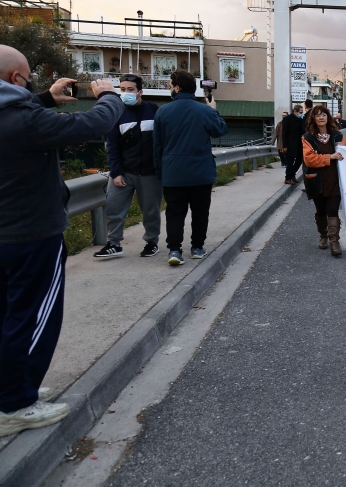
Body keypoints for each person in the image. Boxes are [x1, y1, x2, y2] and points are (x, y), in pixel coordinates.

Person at [0, 44, 123, 437]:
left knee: (7, 316)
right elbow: (91, 125)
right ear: (16, 79)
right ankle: (16, 404)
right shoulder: (25, 120)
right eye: (28, 78)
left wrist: (43, 98)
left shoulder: (20, 114)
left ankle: (12, 387)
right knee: (32, 317)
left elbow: (21, 116)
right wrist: (109, 96)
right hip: (30, 232)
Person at [153, 71, 228, 266]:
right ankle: (197, 247)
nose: (169, 87)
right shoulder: (204, 111)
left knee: (175, 212)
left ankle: (175, 250)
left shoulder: (162, 111)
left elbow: (157, 145)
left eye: (170, 84)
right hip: (201, 172)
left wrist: (160, 171)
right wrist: (214, 109)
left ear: (177, 88)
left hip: (173, 172)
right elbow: (220, 130)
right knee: (200, 211)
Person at [94, 75, 163, 259]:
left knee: (151, 211)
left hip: (150, 173)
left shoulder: (154, 111)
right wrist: (116, 172)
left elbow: (163, 142)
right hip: (125, 172)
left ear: (140, 91)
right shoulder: (117, 113)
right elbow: (112, 146)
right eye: (122, 89)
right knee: (114, 208)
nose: (125, 93)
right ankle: (114, 243)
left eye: (130, 89)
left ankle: (151, 242)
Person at [302, 105, 345, 257]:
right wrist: (330, 157)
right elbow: (309, 160)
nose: (321, 117)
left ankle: (334, 242)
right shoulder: (307, 138)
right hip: (317, 180)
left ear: (328, 118)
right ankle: (323, 235)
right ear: (313, 118)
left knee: (333, 210)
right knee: (320, 212)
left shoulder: (338, 136)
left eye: (324, 115)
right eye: (318, 115)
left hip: (335, 180)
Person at [282, 104, 305, 185]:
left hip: (299, 144)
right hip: (290, 144)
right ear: (295, 111)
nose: (301, 114)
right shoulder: (287, 119)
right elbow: (284, 133)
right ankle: (287, 178)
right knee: (290, 162)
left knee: (299, 160)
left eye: (302, 112)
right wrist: (284, 145)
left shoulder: (300, 120)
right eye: (300, 112)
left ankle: (292, 175)